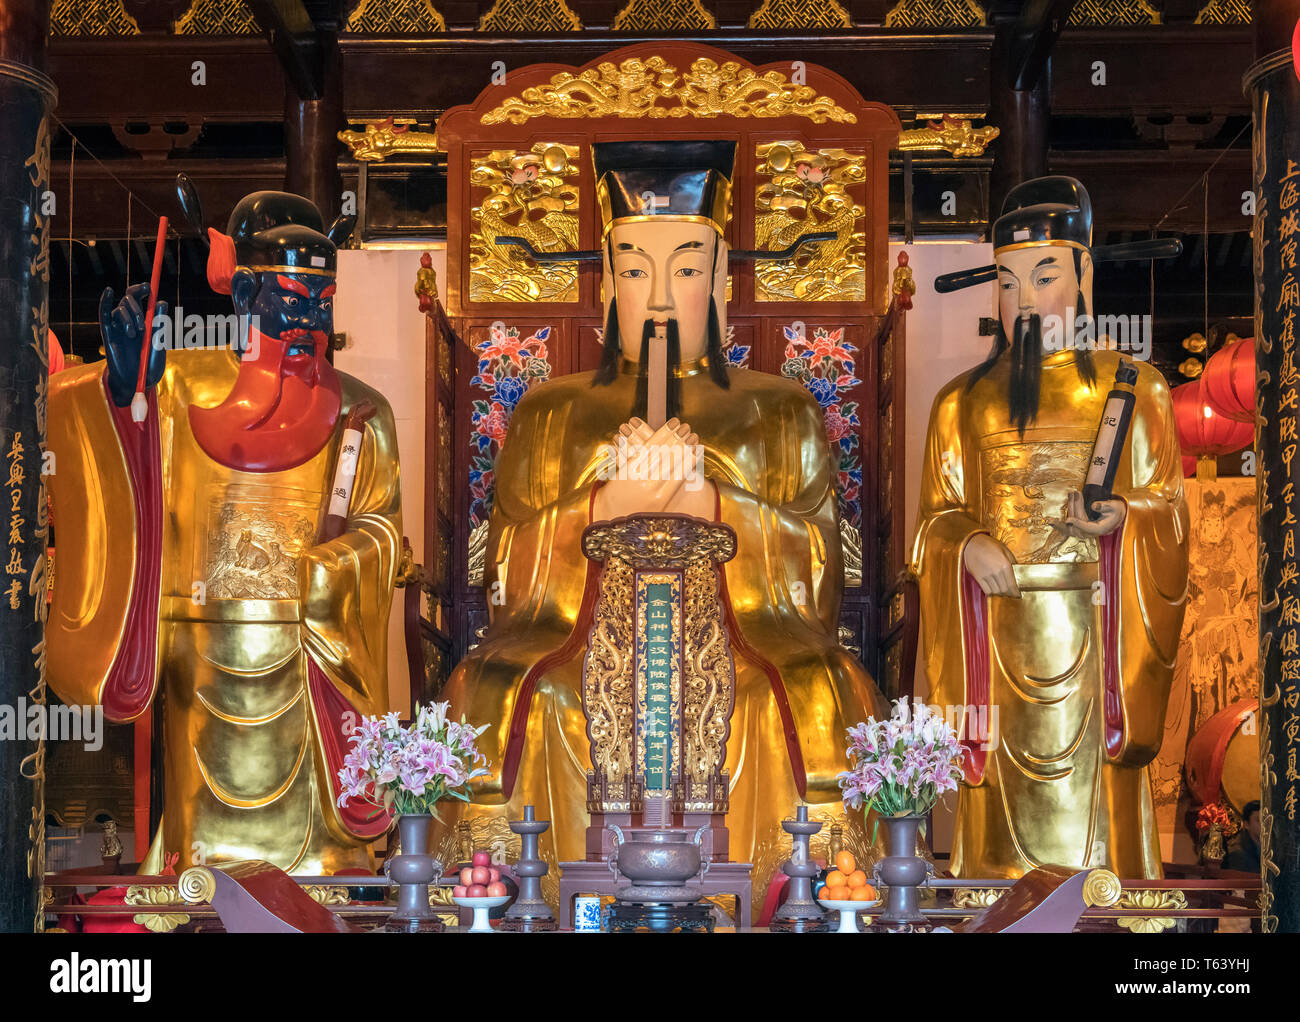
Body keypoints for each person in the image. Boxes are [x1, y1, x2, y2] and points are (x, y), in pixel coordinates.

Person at [47, 192, 402, 873]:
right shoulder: (179, 381)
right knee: (202, 845)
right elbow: (131, 475)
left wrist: (325, 573)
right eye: (294, 299)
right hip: (199, 651)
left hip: (309, 652)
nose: (311, 319)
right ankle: (193, 869)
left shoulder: (366, 409)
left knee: (320, 859)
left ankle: (327, 869)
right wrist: (125, 395)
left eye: (323, 302)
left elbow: (382, 532)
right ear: (244, 294)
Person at [914, 177, 1189, 879]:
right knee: (999, 850)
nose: (1026, 301)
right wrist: (965, 543)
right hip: (996, 633)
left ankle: (1110, 891)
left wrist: (1124, 517)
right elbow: (932, 525)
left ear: (1085, 275)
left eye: (1045, 275)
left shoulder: (1136, 387)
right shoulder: (959, 404)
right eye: (1008, 282)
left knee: (1097, 833)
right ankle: (993, 891)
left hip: (1098, 634)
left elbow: (1171, 512)